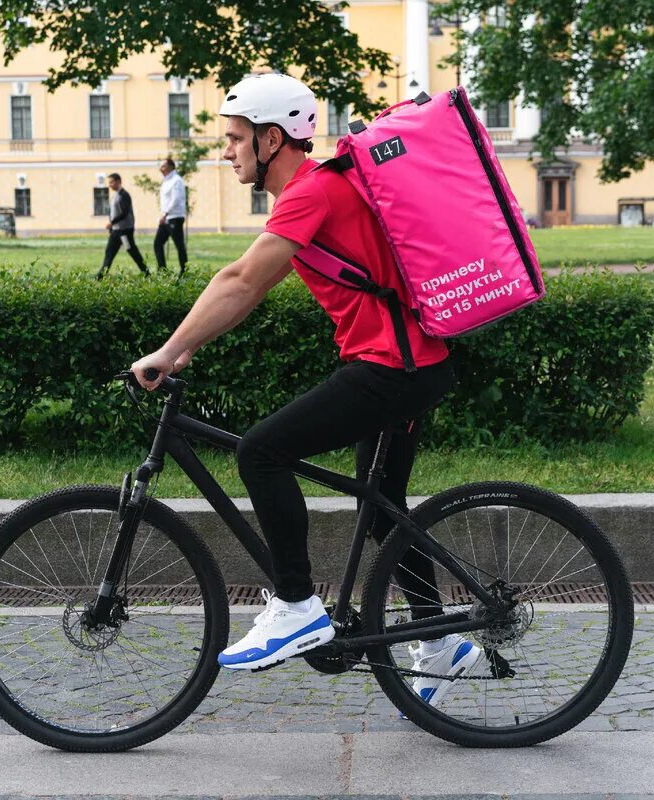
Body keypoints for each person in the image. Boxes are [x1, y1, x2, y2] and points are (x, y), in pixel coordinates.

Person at [130, 74, 479, 708]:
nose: (227, 151)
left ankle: (296, 605)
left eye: (235, 139)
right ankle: (443, 644)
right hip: (412, 364)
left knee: (261, 452)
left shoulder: (309, 191)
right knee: (383, 509)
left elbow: (241, 281)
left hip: (391, 369)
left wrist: (168, 351)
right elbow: (244, 285)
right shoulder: (320, 189)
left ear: (270, 139)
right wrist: (184, 347)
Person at [96, 173, 149, 278]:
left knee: (132, 251)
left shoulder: (124, 195)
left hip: (124, 231)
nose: (110, 185)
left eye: (111, 182)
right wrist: (112, 226)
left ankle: (146, 273)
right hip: (116, 231)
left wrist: (112, 222)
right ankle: (100, 276)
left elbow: (124, 213)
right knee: (109, 253)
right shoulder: (115, 195)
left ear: (118, 181)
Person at [154, 158, 189, 275]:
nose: (161, 169)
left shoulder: (176, 181)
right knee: (158, 243)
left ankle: (184, 271)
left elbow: (175, 199)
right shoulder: (166, 181)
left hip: (174, 217)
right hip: (166, 217)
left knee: (179, 245)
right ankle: (163, 271)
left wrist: (165, 214)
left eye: (163, 166)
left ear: (171, 167)